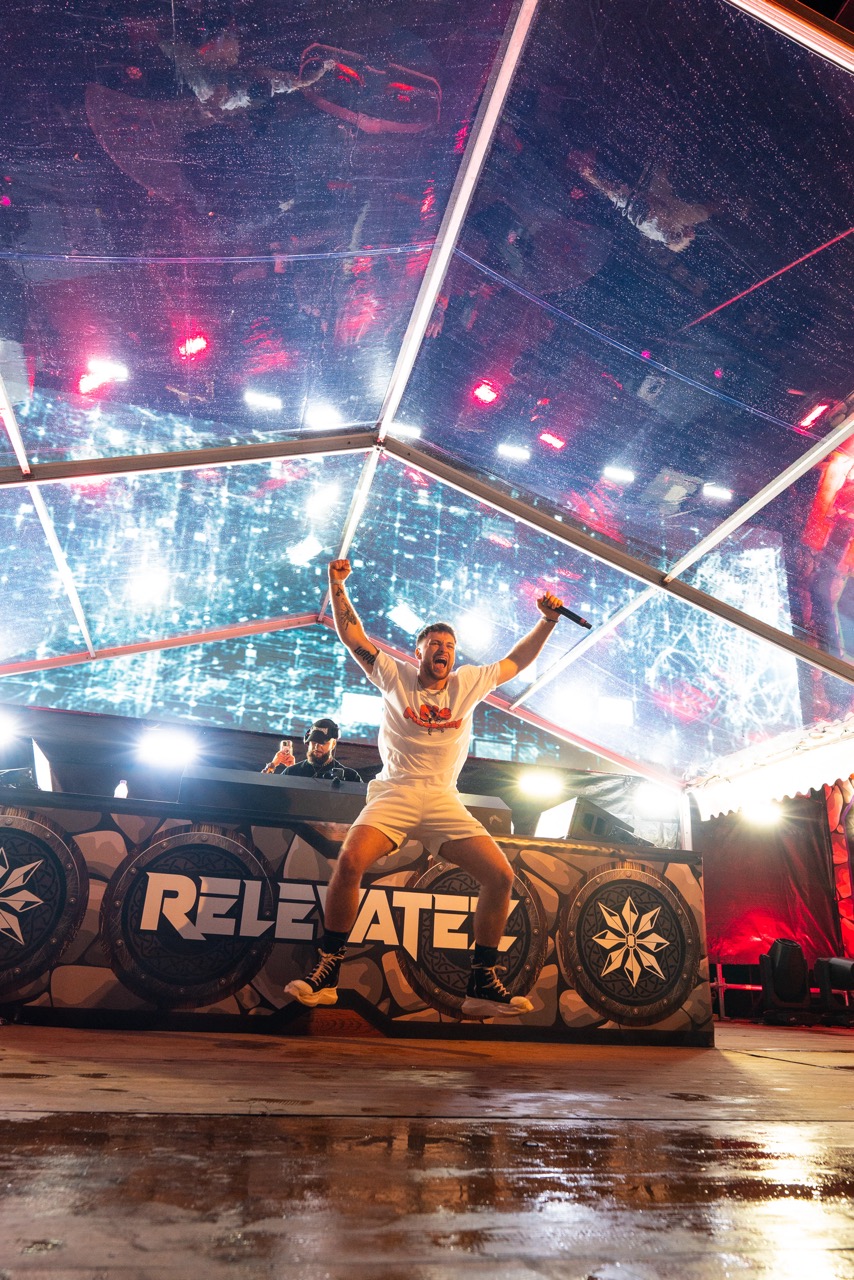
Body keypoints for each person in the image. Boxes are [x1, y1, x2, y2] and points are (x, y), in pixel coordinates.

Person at [285, 558, 565, 1019]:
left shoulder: (468, 682)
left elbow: (516, 661)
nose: (444, 651)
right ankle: (329, 971)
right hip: (395, 793)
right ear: (419, 652)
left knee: (500, 876)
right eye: (435, 644)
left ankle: (481, 982)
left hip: (442, 799)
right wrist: (336, 585)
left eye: (450, 646)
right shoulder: (393, 675)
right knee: (350, 861)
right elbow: (353, 637)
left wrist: (548, 621)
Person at [282, 718, 363, 782]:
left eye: (323, 743)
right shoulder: (291, 772)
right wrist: (274, 765)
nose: (317, 747)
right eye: (314, 742)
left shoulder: (350, 777)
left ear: (333, 744)